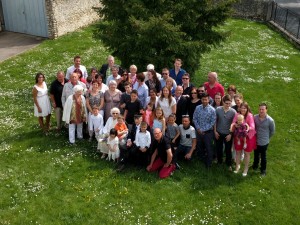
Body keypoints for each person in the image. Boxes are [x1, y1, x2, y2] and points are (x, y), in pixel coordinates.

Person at [231, 102, 256, 176]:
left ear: (247, 109)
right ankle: (237, 166)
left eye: (245, 108)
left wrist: (245, 128)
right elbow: (233, 123)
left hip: (247, 137)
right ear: (239, 108)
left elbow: (252, 126)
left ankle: (245, 169)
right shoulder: (237, 115)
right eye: (242, 108)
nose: (243, 109)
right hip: (238, 136)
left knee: (246, 153)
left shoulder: (250, 116)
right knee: (238, 152)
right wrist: (235, 125)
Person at [193, 93, 216, 168]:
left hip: (208, 132)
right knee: (199, 146)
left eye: (206, 99)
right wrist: (198, 128)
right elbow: (194, 118)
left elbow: (212, 122)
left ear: (208, 100)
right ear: (201, 100)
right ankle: (201, 159)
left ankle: (209, 163)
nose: (204, 101)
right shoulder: (197, 108)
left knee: (208, 147)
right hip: (198, 131)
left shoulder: (212, 110)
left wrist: (203, 130)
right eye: (203, 99)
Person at [253, 103, 275, 176]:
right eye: (260, 109)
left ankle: (263, 170)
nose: (261, 111)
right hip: (255, 140)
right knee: (256, 154)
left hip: (264, 141)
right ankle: (255, 165)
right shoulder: (255, 117)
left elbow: (272, 131)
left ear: (266, 110)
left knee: (263, 157)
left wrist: (266, 138)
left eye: (263, 109)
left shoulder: (270, 120)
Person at [214, 94, 236, 170]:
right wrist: (215, 131)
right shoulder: (218, 109)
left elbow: (234, 124)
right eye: (226, 103)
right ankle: (219, 161)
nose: (228, 105)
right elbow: (215, 122)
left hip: (228, 134)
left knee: (228, 149)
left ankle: (228, 163)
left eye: (229, 103)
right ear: (223, 102)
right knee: (219, 148)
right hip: (219, 132)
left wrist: (230, 134)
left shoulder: (233, 112)